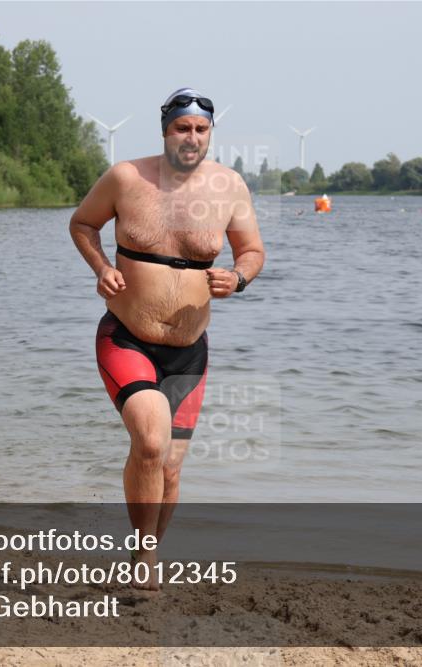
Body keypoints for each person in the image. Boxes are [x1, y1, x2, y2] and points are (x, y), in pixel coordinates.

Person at [70, 88, 265, 589]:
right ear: (165, 130)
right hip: (127, 338)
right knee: (151, 443)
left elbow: (252, 251)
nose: (192, 137)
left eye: (201, 129)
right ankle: (144, 559)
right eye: (183, 127)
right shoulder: (126, 178)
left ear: (210, 134)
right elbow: (83, 223)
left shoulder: (230, 186)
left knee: (171, 470)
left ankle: (148, 547)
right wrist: (102, 267)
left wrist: (238, 278)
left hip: (189, 352)